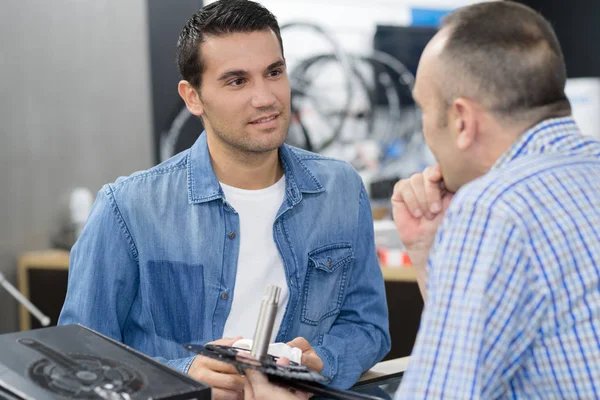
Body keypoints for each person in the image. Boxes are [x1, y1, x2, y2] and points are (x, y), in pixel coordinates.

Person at [243, 1, 600, 398]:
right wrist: (430, 252)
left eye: (425, 109)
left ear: (462, 120)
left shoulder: (494, 209)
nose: (425, 129)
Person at [58, 0, 391, 398]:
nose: (265, 97)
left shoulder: (340, 189)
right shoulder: (127, 208)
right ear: (193, 97)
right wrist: (185, 376)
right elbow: (79, 361)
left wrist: (323, 360)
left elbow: (368, 326)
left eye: (274, 72)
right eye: (237, 81)